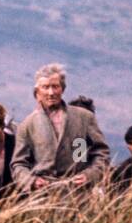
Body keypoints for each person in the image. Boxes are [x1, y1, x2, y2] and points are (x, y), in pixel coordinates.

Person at [11, 63, 110, 192]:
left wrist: (90, 175)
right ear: (37, 91)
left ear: (62, 89)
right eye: (45, 87)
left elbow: (102, 153)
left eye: (55, 87)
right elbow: (18, 164)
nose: (51, 92)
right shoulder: (27, 125)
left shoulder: (84, 117)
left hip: (80, 195)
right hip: (43, 197)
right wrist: (31, 181)